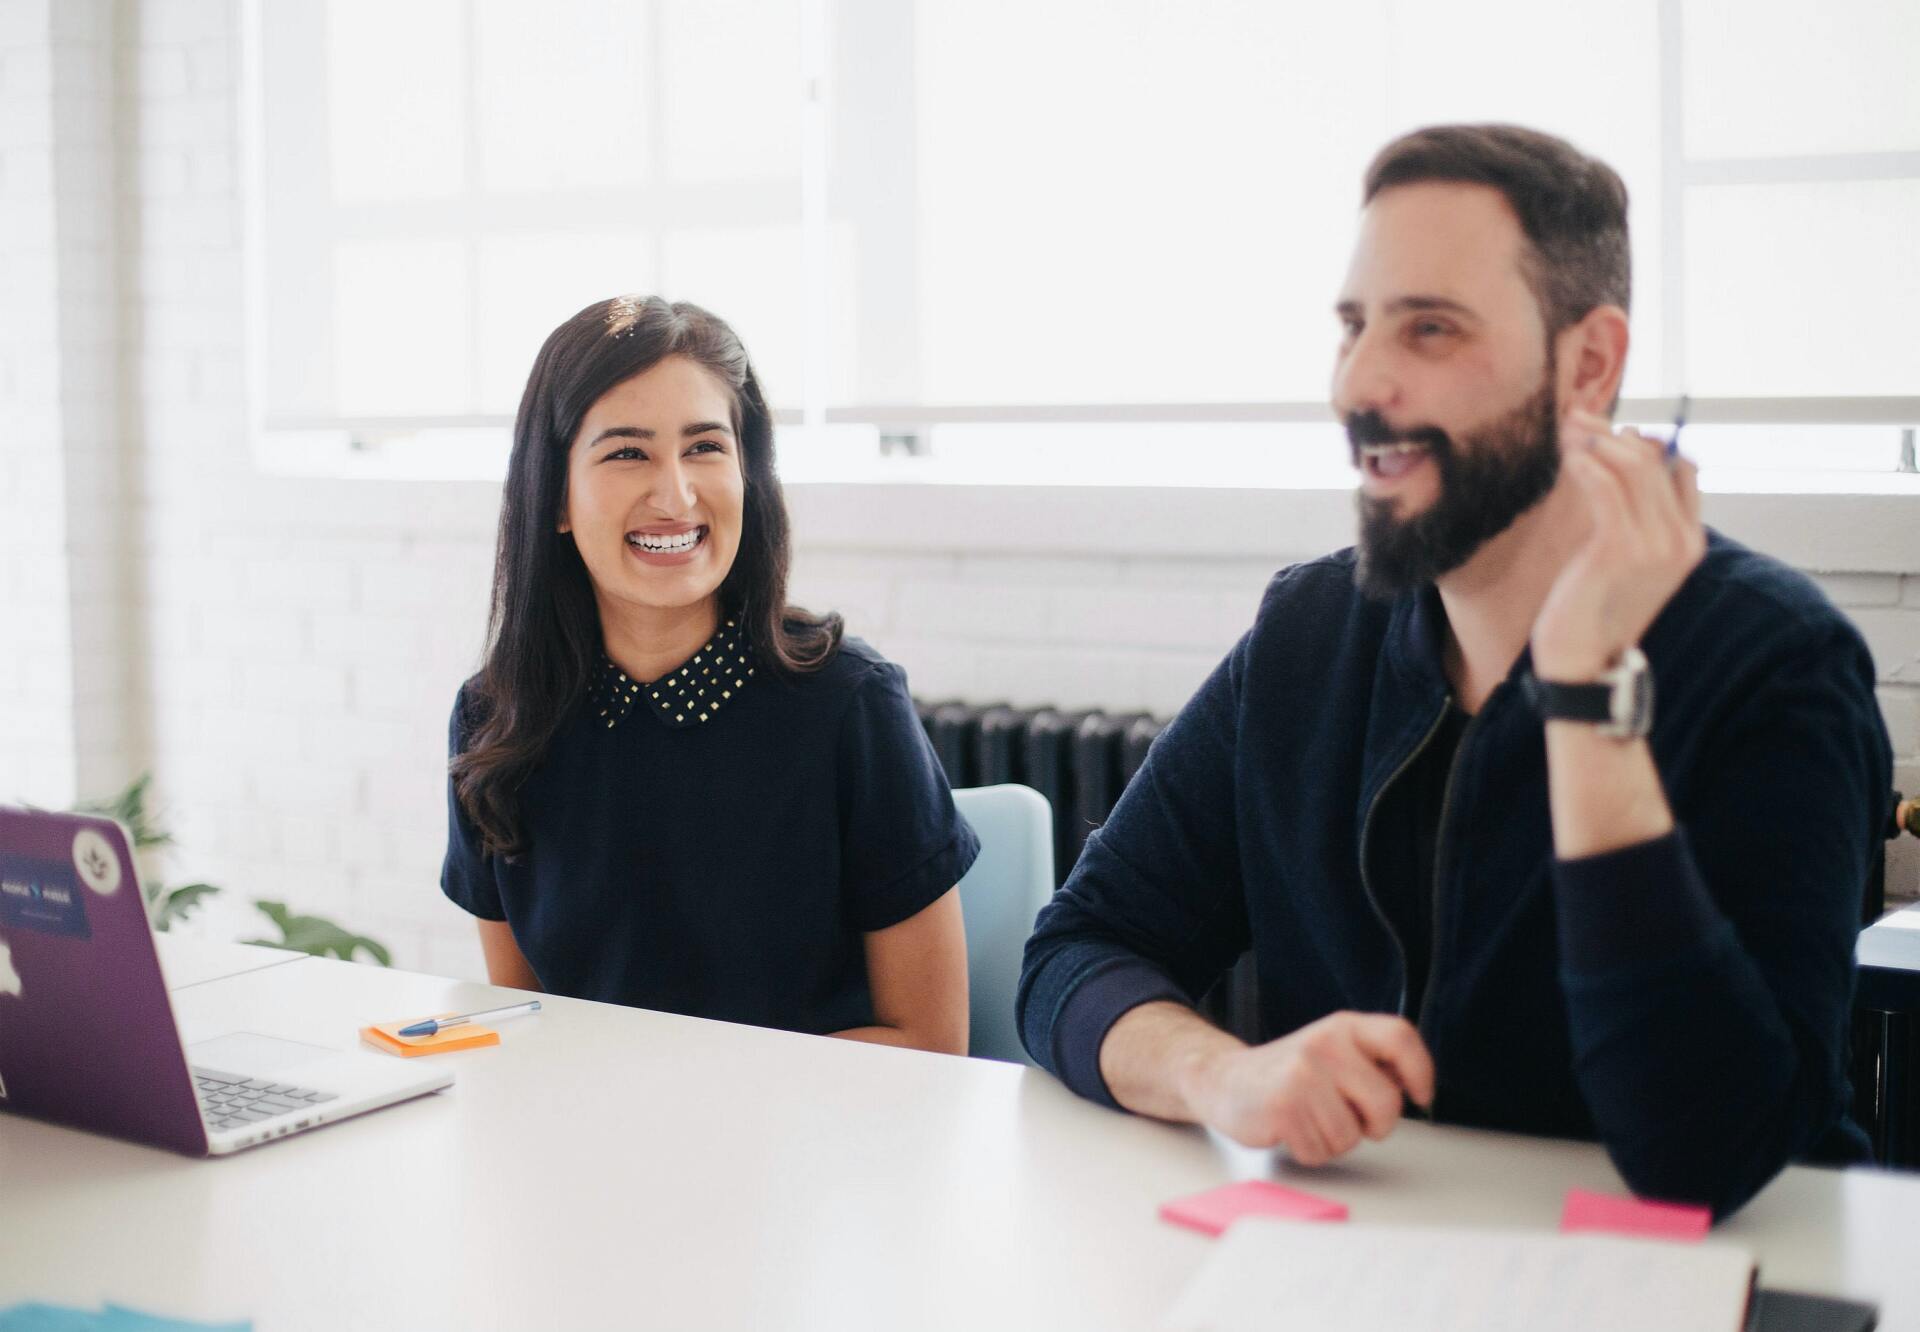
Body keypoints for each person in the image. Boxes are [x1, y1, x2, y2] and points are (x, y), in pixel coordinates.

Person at [1016, 124, 1890, 1217]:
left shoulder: (1777, 665)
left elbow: (1707, 1155)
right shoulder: (1311, 631)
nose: (1361, 383)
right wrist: (1222, 1073)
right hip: (1366, 1257)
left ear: (1587, 365)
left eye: (1430, 329)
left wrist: (1586, 697)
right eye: (1353, 326)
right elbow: (1076, 953)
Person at [443, 296, 977, 1055]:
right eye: (627, 453)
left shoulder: (848, 705)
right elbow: (528, 1023)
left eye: (704, 448)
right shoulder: (496, 718)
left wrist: (684, 1104)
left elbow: (930, 1042)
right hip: (592, 1146)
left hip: (820, 1149)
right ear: (555, 496)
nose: (676, 495)